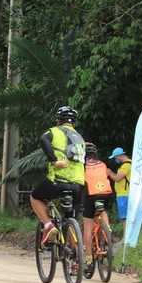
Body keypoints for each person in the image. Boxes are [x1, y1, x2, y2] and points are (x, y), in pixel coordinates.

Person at [31, 105, 86, 246]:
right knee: (71, 221)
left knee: (35, 196)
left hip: (58, 181)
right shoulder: (80, 138)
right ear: (74, 123)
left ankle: (49, 225)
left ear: (57, 120)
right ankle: (76, 259)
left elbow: (43, 139)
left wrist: (54, 161)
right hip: (78, 186)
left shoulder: (54, 131)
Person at [81, 143, 114, 272]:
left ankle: (89, 260)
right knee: (102, 210)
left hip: (91, 194)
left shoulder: (82, 166)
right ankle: (108, 232)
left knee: (87, 227)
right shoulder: (102, 164)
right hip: (105, 193)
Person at [107, 146, 131, 239]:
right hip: (123, 194)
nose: (115, 160)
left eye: (115, 158)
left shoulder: (126, 165)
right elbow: (117, 176)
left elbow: (117, 178)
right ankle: (126, 239)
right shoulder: (125, 165)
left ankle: (125, 239)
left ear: (119, 156)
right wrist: (110, 172)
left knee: (125, 218)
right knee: (126, 218)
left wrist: (109, 173)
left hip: (124, 194)